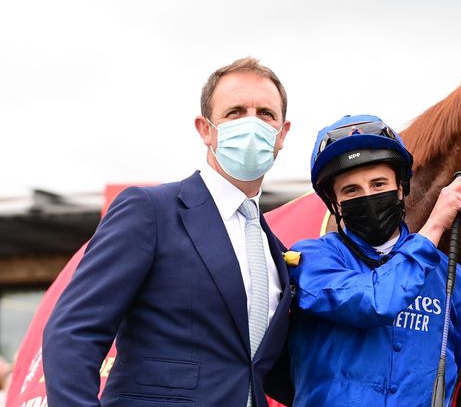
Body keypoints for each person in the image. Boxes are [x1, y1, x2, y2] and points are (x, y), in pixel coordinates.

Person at [43, 57, 293, 407]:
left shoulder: (274, 249)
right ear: (205, 129)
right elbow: (73, 335)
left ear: (282, 135)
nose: (252, 122)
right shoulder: (149, 211)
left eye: (265, 114)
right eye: (235, 112)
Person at [286, 114, 461, 406]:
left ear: (402, 188)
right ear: (334, 203)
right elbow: (374, 302)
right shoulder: (310, 260)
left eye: (379, 184)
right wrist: (433, 228)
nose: (368, 196)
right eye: (351, 190)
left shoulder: (451, 275)